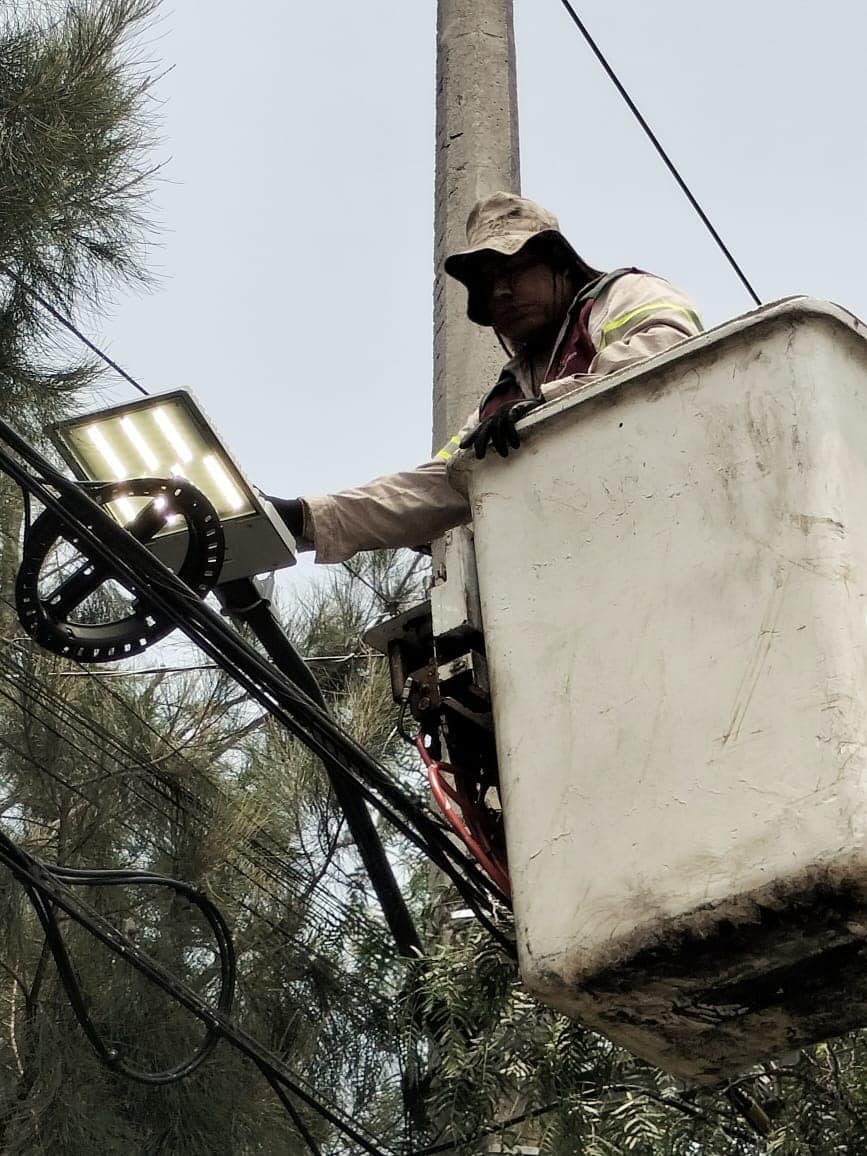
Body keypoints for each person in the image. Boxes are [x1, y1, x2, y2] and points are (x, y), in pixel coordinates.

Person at [268, 192, 703, 564]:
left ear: (560, 265)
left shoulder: (624, 295)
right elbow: (440, 484)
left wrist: (546, 409)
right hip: (581, 562)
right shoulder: (505, 400)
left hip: (670, 522)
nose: (500, 292)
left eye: (514, 270)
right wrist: (306, 516)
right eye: (488, 282)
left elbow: (664, 354)